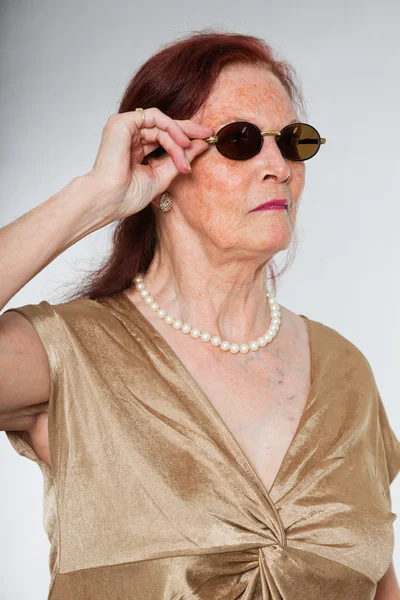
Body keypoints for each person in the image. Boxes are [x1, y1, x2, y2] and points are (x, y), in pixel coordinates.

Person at [0, 29, 399, 600]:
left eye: (292, 142)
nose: (279, 166)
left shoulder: (345, 371)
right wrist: (95, 196)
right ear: (160, 168)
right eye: (240, 141)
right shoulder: (73, 355)